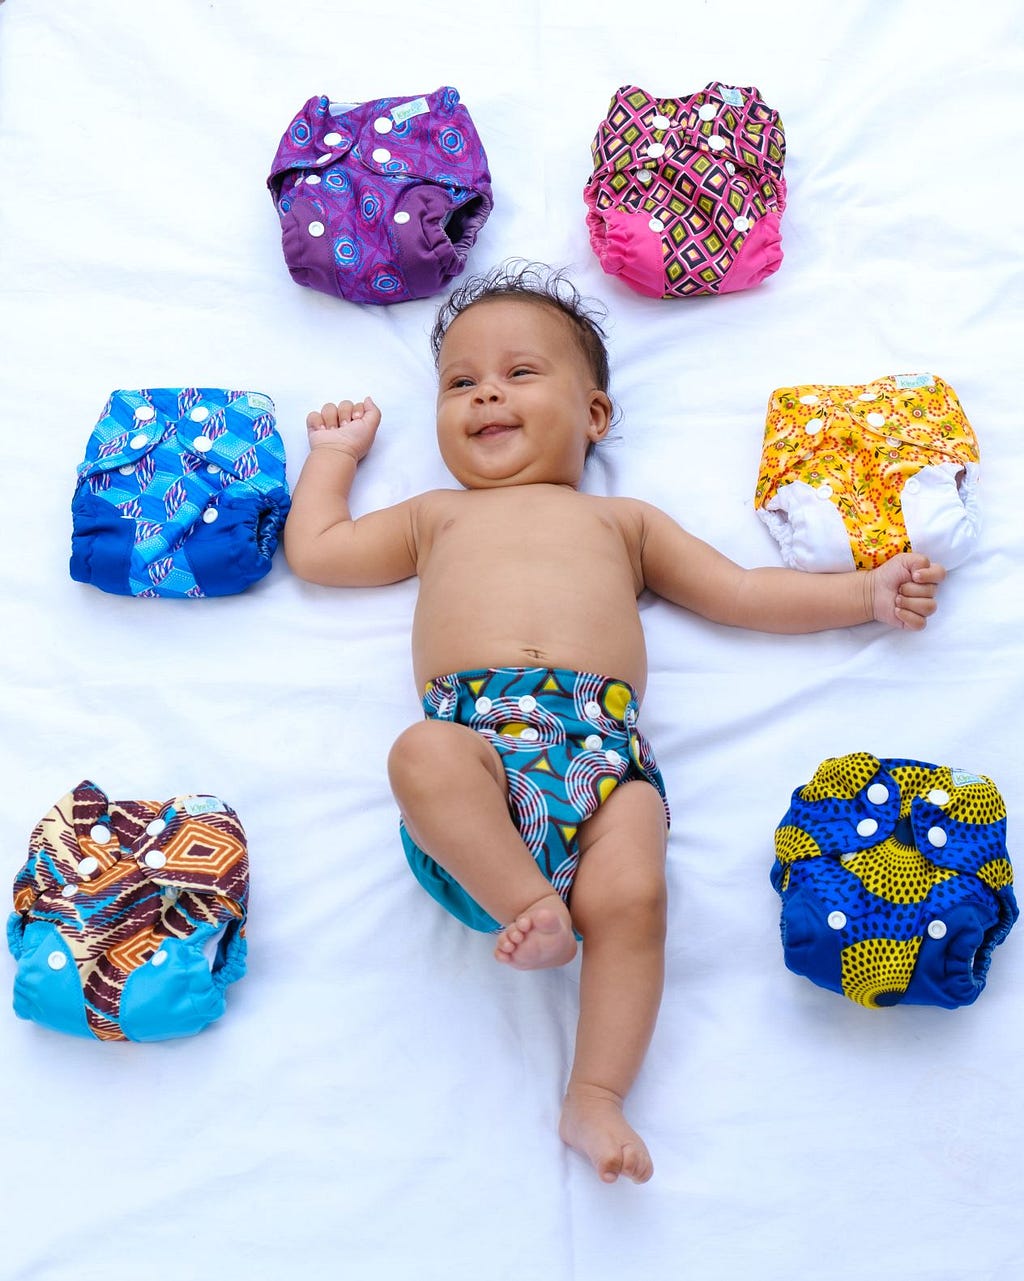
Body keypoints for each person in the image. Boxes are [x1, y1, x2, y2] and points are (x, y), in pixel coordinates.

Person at [283, 262, 945, 1185]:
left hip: (602, 758)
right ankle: (529, 902)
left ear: (594, 415)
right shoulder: (435, 517)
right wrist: (334, 460)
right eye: (460, 382)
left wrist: (863, 594)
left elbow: (745, 593)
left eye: (519, 373)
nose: (485, 395)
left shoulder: (623, 523)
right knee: (419, 752)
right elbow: (317, 552)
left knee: (636, 888)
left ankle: (595, 1093)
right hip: (475, 762)